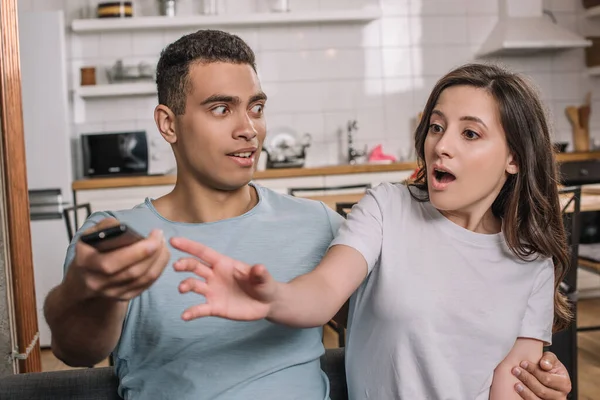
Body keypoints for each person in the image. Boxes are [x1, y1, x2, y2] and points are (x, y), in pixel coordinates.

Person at [41, 28, 571, 399]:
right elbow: (76, 349)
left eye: (257, 107)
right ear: (168, 122)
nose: (249, 128)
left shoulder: (316, 225)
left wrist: (536, 377)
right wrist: (97, 290)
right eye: (221, 109)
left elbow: (411, 317)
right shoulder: (117, 238)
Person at [168, 63, 576, 399]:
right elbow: (322, 293)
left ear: (515, 159)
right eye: (436, 127)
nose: (441, 145)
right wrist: (271, 297)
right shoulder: (388, 207)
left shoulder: (532, 263)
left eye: (469, 133)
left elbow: (511, 389)